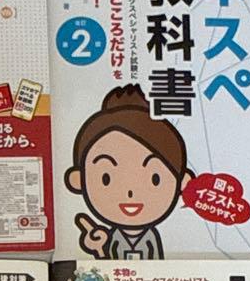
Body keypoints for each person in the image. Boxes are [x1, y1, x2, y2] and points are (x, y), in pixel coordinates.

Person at [64, 84, 193, 260]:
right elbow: (107, 264)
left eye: (155, 179)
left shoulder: (150, 237)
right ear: (79, 180)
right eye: (106, 178)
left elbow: (158, 265)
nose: (130, 192)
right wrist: (98, 248)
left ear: (182, 182)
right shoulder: (113, 237)